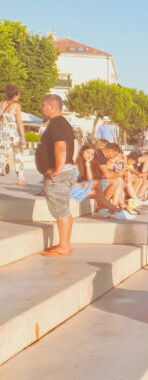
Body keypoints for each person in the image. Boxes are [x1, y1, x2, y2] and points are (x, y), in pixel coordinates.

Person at [38, 94, 77, 257]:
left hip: (60, 174)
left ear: (51, 107)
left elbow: (60, 146)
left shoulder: (56, 124)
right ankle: (64, 243)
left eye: (43, 105)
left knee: (60, 209)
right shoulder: (63, 123)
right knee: (63, 209)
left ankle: (64, 246)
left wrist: (57, 169)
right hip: (67, 171)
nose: (41, 108)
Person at [0, 84, 27, 185]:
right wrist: (23, 137)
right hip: (14, 133)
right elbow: (19, 122)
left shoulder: (1, 104)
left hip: (3, 133)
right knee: (18, 155)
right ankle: (20, 179)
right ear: (15, 95)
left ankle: (2, 169)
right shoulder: (16, 106)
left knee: (3, 154)